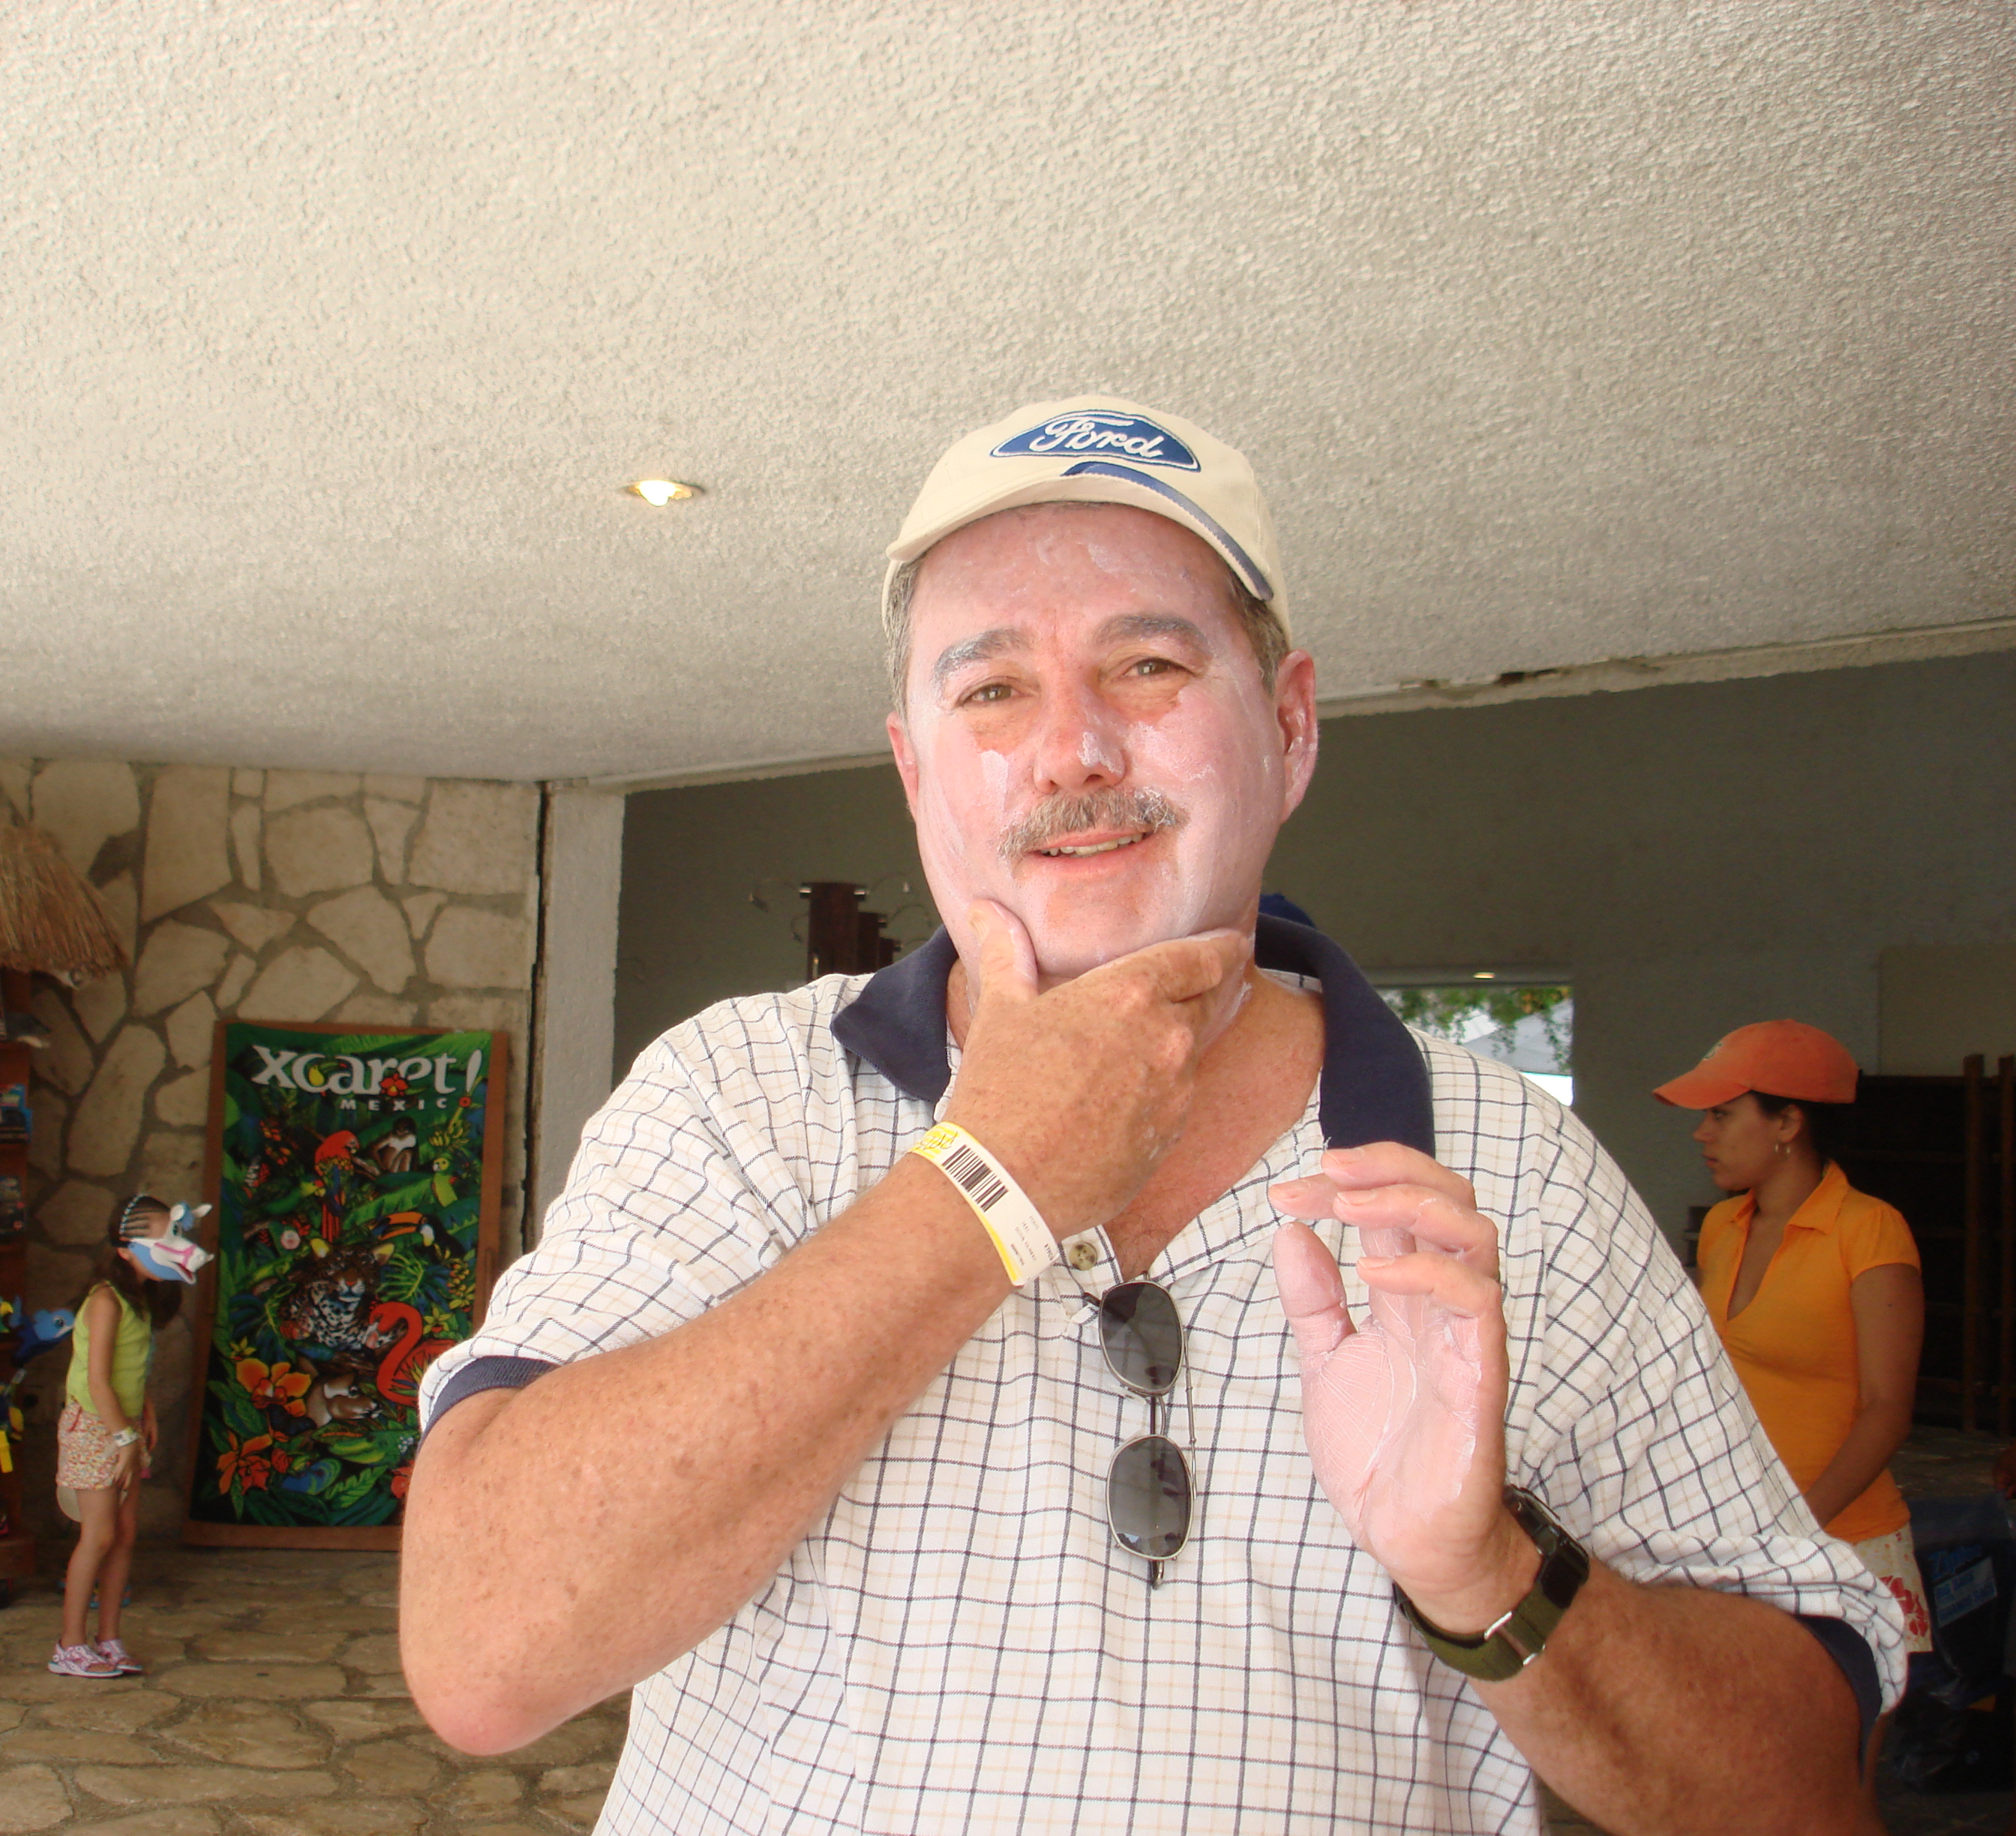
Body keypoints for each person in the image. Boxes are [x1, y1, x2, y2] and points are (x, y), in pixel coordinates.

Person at [402, 396, 1902, 1833]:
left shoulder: (1518, 1174)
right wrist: (985, 1186)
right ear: (915, 770)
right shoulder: (735, 1096)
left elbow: (1799, 1794)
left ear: (1290, 727)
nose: (1071, 750)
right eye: (991, 690)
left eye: (1145, 665)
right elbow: (478, 1652)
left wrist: (1488, 1573)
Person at [1655, 1022, 1930, 1654]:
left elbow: (1887, 1409)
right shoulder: (1723, 1225)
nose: (1702, 1133)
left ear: (1787, 1122)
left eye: (1722, 1115)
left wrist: (1794, 1528)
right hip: (1736, 1539)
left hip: (1843, 1542)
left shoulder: (1869, 1230)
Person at [50, 1193, 207, 1679]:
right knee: (98, 1535)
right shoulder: (105, 1301)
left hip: (125, 1426)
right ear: (124, 1249)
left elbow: (130, 1369)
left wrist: (145, 1412)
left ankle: (109, 1638)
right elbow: (97, 1381)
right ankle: (70, 1645)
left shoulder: (138, 1300)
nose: (173, 1245)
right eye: (160, 1237)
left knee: (123, 1535)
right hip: (97, 1428)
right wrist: (123, 1438)